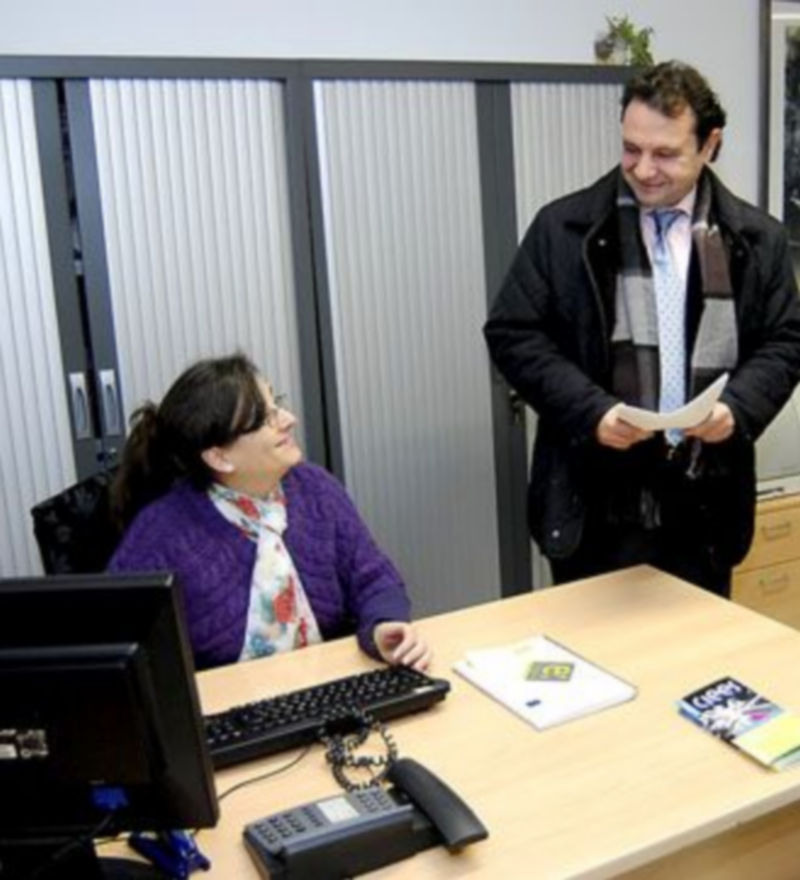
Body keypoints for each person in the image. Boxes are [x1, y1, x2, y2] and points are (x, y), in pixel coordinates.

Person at [484, 60, 800, 597]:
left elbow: (787, 340)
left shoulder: (757, 239)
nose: (644, 168)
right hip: (595, 500)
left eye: (666, 153)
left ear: (710, 145)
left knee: (696, 668)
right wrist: (591, 411)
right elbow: (514, 332)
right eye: (632, 148)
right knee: (597, 667)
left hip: (705, 503)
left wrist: (738, 408)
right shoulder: (562, 229)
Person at [108, 353, 432, 671]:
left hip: (327, 685)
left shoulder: (315, 489)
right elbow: (119, 649)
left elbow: (374, 579)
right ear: (220, 458)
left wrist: (383, 627)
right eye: (265, 418)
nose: (289, 419)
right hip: (230, 711)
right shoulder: (162, 532)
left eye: (277, 403)